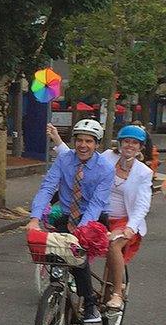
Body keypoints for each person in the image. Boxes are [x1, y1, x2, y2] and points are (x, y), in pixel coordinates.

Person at [49, 123, 152, 310]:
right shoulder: (106, 158)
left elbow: (142, 204)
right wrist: (57, 139)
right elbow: (75, 157)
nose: (129, 146)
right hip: (96, 215)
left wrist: (131, 226)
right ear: (119, 143)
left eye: (134, 143)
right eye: (126, 141)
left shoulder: (144, 172)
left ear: (141, 147)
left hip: (124, 220)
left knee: (114, 244)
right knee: (73, 242)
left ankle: (117, 294)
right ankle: (75, 285)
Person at [30, 118, 114, 322]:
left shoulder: (105, 168)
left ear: (96, 144)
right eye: (79, 140)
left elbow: (96, 204)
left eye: (89, 141)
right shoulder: (64, 159)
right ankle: (60, 297)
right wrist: (34, 218)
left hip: (93, 218)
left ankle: (90, 303)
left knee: (78, 255)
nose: (83, 145)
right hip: (67, 215)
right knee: (55, 253)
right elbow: (48, 187)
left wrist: (81, 232)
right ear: (74, 141)